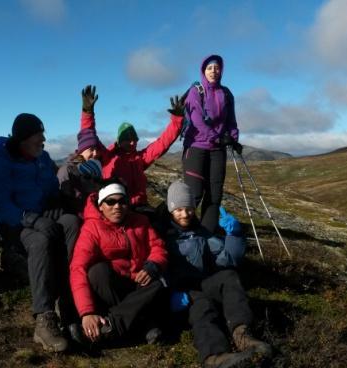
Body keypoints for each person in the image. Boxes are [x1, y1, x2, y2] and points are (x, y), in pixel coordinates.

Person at [0, 113, 79, 352]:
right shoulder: (1, 162)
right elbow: (0, 204)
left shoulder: (42, 158)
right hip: (15, 223)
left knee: (72, 223)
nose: (43, 140)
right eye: (39, 135)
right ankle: (44, 318)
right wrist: (31, 219)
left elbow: (49, 187)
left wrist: (58, 199)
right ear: (24, 138)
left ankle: (67, 297)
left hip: (42, 213)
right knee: (40, 241)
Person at [161, 181, 271, 367]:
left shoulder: (200, 233)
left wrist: (234, 236)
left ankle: (242, 335)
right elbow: (154, 265)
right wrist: (167, 294)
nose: (185, 214)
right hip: (180, 295)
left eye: (189, 209)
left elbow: (227, 260)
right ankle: (215, 357)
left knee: (228, 276)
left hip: (202, 284)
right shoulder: (160, 234)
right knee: (202, 305)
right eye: (179, 209)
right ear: (171, 209)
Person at [70, 179, 168, 345]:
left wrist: (152, 265)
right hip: (112, 287)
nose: (117, 206)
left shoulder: (140, 221)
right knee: (97, 271)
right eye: (110, 202)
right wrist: (86, 312)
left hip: (139, 283)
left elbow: (158, 248)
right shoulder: (91, 228)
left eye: (122, 201)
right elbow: (78, 268)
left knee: (157, 282)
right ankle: (140, 324)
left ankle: (112, 326)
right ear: (100, 206)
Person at [79, 85, 186, 210]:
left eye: (134, 140)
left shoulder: (140, 158)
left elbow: (163, 142)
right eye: (127, 140)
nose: (132, 143)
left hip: (141, 208)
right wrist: (87, 112)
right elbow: (89, 135)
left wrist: (177, 120)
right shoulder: (107, 156)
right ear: (119, 141)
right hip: (117, 210)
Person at [181, 54, 242, 234]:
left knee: (215, 195)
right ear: (203, 71)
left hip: (218, 150)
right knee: (194, 193)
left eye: (216, 68)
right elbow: (197, 121)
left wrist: (233, 138)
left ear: (221, 70)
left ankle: (207, 233)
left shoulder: (226, 93)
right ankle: (179, 230)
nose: (213, 71)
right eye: (209, 68)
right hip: (196, 147)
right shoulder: (196, 91)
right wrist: (217, 137)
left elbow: (231, 120)